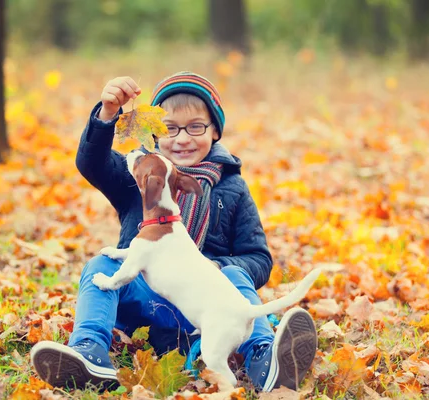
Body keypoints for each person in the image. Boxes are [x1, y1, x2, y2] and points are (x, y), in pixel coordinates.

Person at [30, 72, 317, 392]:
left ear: (215, 131)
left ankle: (265, 358)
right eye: (169, 128)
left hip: (204, 311)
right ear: (154, 133)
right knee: (101, 265)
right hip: (145, 305)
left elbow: (259, 258)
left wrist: (219, 268)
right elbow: (92, 164)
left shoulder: (232, 187)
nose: (182, 139)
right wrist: (107, 115)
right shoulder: (136, 176)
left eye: (196, 127)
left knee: (235, 277)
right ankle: (89, 352)